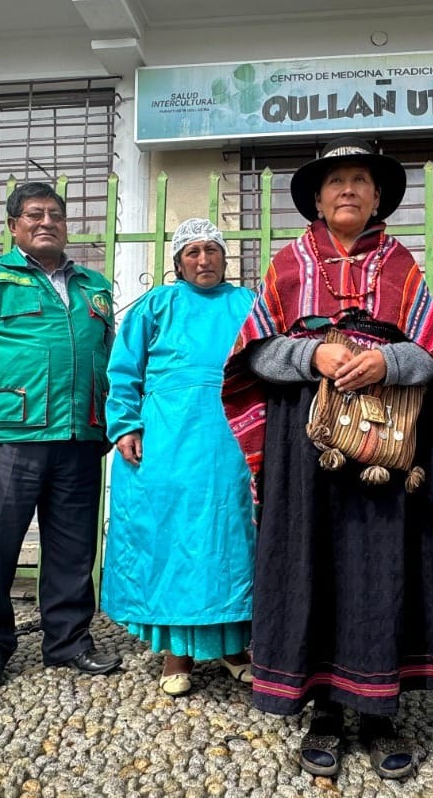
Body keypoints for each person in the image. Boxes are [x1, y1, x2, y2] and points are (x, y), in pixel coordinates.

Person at [222, 138, 433, 782]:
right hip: (306, 447)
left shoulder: (402, 268)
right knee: (312, 561)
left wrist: (388, 361)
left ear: (377, 197)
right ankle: (326, 711)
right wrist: (313, 355)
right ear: (316, 198)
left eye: (360, 180)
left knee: (381, 563)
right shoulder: (287, 265)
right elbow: (253, 356)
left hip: (389, 446)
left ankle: (380, 712)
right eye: (336, 181)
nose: (348, 190)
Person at [0, 182, 123, 693]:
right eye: (34, 214)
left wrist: (110, 421)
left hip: (79, 436)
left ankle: (68, 641)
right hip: (7, 436)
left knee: (74, 548)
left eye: (55, 215)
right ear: (13, 225)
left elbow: (111, 358)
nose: (47, 222)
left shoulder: (94, 285)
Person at [101, 218, 257, 697]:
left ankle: (234, 647)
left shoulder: (248, 305)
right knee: (173, 541)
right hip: (167, 440)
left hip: (231, 438)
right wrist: (125, 425)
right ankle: (177, 653)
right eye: (193, 252)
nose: (203, 260)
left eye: (212, 250)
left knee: (230, 539)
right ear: (178, 262)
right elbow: (123, 371)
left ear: (225, 259)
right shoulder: (156, 305)